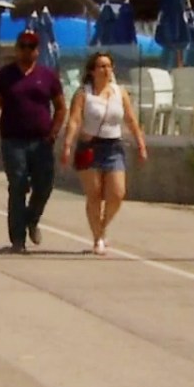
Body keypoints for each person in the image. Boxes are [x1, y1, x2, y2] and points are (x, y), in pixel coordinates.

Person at [0, 29, 66, 254]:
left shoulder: (48, 76)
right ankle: (17, 240)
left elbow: (60, 108)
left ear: (37, 51)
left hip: (42, 142)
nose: (27, 50)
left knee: (44, 185)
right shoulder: (3, 76)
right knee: (18, 185)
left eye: (31, 46)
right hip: (13, 142)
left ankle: (32, 219)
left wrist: (54, 132)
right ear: (16, 48)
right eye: (23, 45)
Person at [60, 51, 147, 255]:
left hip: (113, 147)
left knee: (117, 194)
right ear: (92, 70)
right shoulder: (84, 94)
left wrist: (141, 144)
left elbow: (131, 120)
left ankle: (101, 226)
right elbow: (73, 121)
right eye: (101, 66)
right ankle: (98, 237)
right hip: (89, 147)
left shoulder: (120, 92)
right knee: (95, 195)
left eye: (109, 66)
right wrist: (67, 145)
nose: (106, 70)